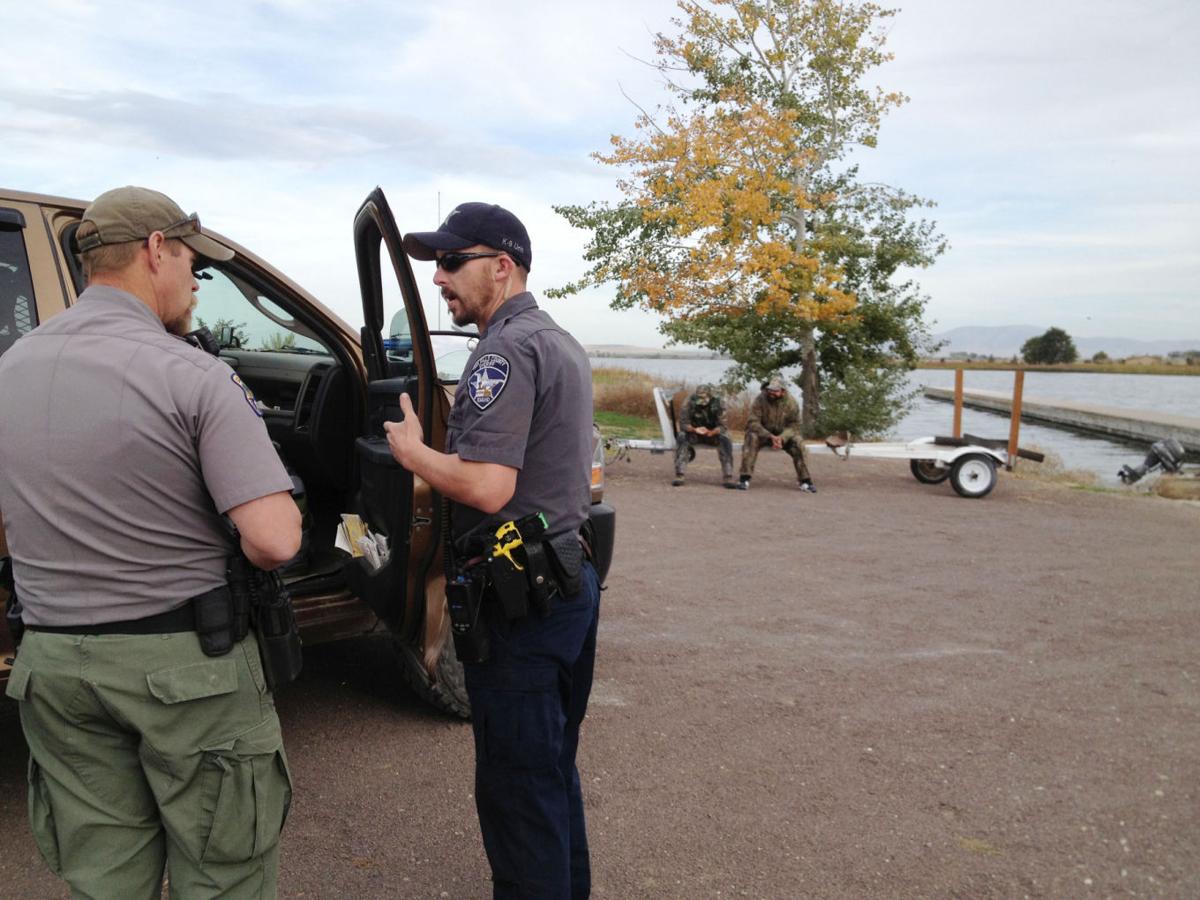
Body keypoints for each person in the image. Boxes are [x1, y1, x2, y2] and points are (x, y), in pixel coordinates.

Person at [0, 186, 301, 898]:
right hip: (185, 671)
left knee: (104, 882)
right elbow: (273, 540)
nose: (196, 282)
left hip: (53, 666)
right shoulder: (193, 373)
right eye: (192, 263)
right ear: (154, 250)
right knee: (224, 876)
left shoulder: (8, 371)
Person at [388, 202, 601, 899]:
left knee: (516, 788)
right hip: (565, 580)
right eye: (435, 266)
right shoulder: (557, 339)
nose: (439, 279)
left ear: (501, 266)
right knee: (548, 772)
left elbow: (485, 485)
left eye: (452, 263)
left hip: (520, 600)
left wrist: (417, 454)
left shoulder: (503, 350)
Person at [732, 373, 817, 493]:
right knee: (751, 437)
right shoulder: (760, 400)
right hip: (764, 435)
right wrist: (769, 436)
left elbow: (795, 425)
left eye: (775, 391)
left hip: (783, 436)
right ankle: (744, 479)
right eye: (770, 390)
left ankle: (805, 481)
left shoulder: (791, 403)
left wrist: (782, 437)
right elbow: (752, 422)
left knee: (799, 443)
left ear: (783, 391)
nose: (771, 393)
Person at [672, 383, 734, 487]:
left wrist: (712, 432)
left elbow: (723, 426)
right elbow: (683, 424)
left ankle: (728, 476)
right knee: (682, 437)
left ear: (710, 395)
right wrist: (694, 429)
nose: (701, 400)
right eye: (699, 397)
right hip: (694, 432)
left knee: (725, 438)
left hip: (712, 433)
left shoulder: (719, 403)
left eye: (704, 397)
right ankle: (679, 474)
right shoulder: (688, 402)